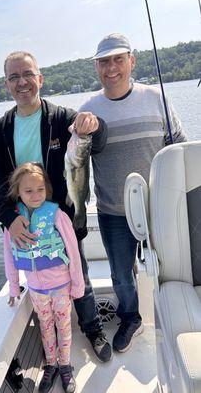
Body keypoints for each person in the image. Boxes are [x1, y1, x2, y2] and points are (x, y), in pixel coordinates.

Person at [0, 51, 112, 362]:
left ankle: (92, 327)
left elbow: (97, 141)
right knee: (38, 277)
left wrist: (92, 125)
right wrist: (8, 220)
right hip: (25, 223)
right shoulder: (0, 133)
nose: (22, 82)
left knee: (76, 270)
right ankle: (50, 339)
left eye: (27, 74)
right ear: (7, 85)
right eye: (14, 77)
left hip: (63, 219)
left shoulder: (60, 118)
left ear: (40, 79)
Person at [79, 33, 187, 353]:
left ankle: (178, 317)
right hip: (112, 210)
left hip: (159, 206)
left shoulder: (156, 98)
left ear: (131, 61)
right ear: (97, 68)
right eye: (103, 62)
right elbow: (74, 161)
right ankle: (130, 317)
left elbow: (179, 146)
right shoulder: (87, 110)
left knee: (172, 266)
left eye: (118, 59)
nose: (111, 68)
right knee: (120, 275)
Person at [4, 162, 84, 393]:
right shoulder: (14, 222)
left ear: (47, 189)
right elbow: (9, 257)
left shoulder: (57, 215)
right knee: (46, 327)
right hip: (36, 289)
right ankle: (51, 365)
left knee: (64, 326)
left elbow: (73, 252)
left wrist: (78, 285)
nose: (35, 195)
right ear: (17, 192)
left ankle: (66, 366)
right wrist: (13, 288)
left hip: (61, 286)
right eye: (28, 191)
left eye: (40, 189)